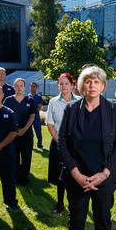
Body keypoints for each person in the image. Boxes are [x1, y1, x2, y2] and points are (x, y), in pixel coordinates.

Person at [58, 66, 116, 230]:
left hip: (103, 178)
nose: (92, 85)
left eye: (96, 82)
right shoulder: (71, 109)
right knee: (76, 223)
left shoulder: (113, 110)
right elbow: (62, 143)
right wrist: (75, 173)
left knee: (103, 223)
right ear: (81, 86)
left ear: (103, 86)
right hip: (77, 177)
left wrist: (104, 173)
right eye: (88, 81)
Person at [46, 73, 81, 214]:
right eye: (60, 83)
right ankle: (60, 203)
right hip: (58, 144)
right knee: (61, 176)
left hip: (76, 146)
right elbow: (50, 124)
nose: (63, 86)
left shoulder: (80, 101)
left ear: (73, 85)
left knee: (76, 174)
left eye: (66, 83)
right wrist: (60, 143)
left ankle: (76, 205)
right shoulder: (53, 102)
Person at [3, 78, 37, 185]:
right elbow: (5, 117)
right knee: (14, 157)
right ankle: (16, 178)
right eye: (16, 86)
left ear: (24, 87)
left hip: (26, 134)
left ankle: (24, 178)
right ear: (13, 87)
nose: (19, 88)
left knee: (26, 157)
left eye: (21, 85)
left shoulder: (30, 100)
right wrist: (13, 130)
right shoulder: (8, 100)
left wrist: (24, 129)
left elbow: (32, 116)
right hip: (12, 135)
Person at [29, 82, 44, 149]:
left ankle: (39, 144)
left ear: (36, 87)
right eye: (31, 86)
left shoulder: (39, 96)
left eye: (34, 86)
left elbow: (40, 107)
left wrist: (34, 113)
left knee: (38, 131)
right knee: (29, 132)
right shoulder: (27, 96)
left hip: (36, 116)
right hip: (28, 117)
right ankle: (30, 144)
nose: (32, 87)